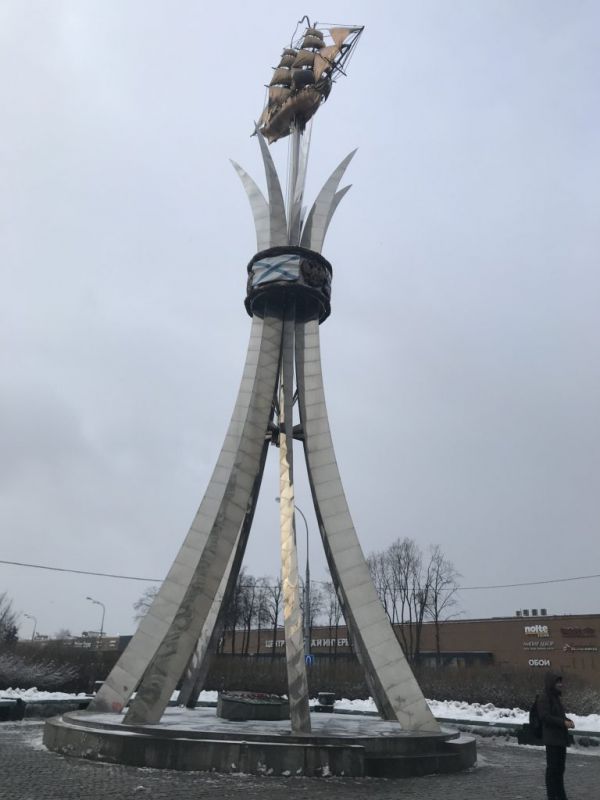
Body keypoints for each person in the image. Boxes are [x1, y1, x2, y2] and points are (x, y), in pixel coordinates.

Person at [537, 672, 575, 800]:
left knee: (560, 769)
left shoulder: (556, 698)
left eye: (560, 682)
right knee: (553, 770)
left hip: (560, 739)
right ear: (551, 683)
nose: (560, 684)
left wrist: (568, 721)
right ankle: (552, 796)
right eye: (558, 682)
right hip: (552, 739)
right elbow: (545, 717)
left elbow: (559, 716)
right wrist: (563, 722)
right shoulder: (544, 697)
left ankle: (560, 795)